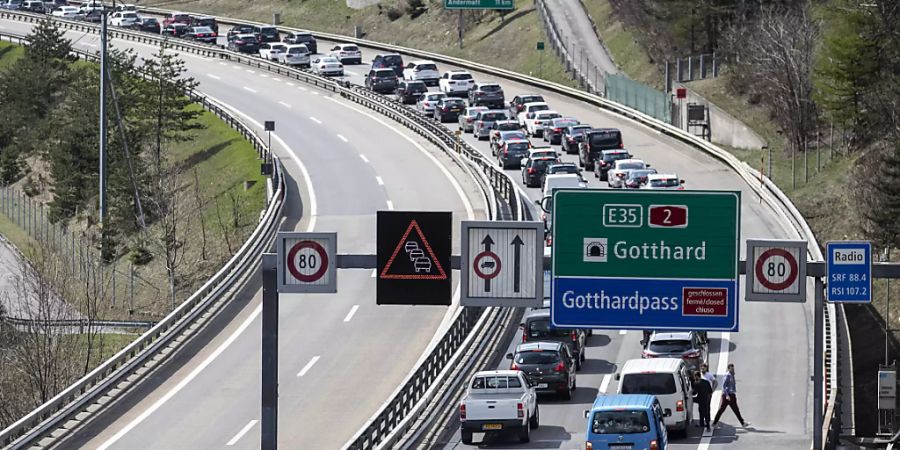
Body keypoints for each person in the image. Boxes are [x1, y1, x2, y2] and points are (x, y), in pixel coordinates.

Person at [713, 363, 748, 428]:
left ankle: (742, 423)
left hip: (732, 395)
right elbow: (724, 386)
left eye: (733, 368)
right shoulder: (727, 375)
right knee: (722, 409)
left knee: (736, 410)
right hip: (727, 396)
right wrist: (726, 395)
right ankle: (714, 423)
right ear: (728, 369)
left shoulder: (732, 375)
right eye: (731, 368)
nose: (733, 369)